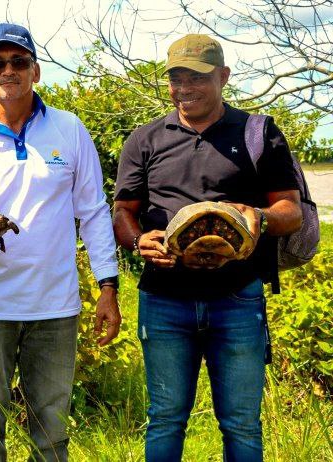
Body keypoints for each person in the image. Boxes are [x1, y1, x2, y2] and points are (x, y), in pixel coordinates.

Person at [113, 34, 302, 460]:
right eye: (176, 78)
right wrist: (137, 239)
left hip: (237, 296)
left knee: (241, 423)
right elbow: (123, 210)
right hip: (164, 299)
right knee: (165, 417)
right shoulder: (146, 139)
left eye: (196, 77)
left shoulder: (257, 133)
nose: (184, 88)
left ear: (223, 76)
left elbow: (292, 211)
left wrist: (258, 218)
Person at [0, 23, 121, 461]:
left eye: (19, 62)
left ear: (36, 72)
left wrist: (108, 287)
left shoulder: (69, 129)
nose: (9, 71)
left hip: (54, 308)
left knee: (52, 434)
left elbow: (94, 212)